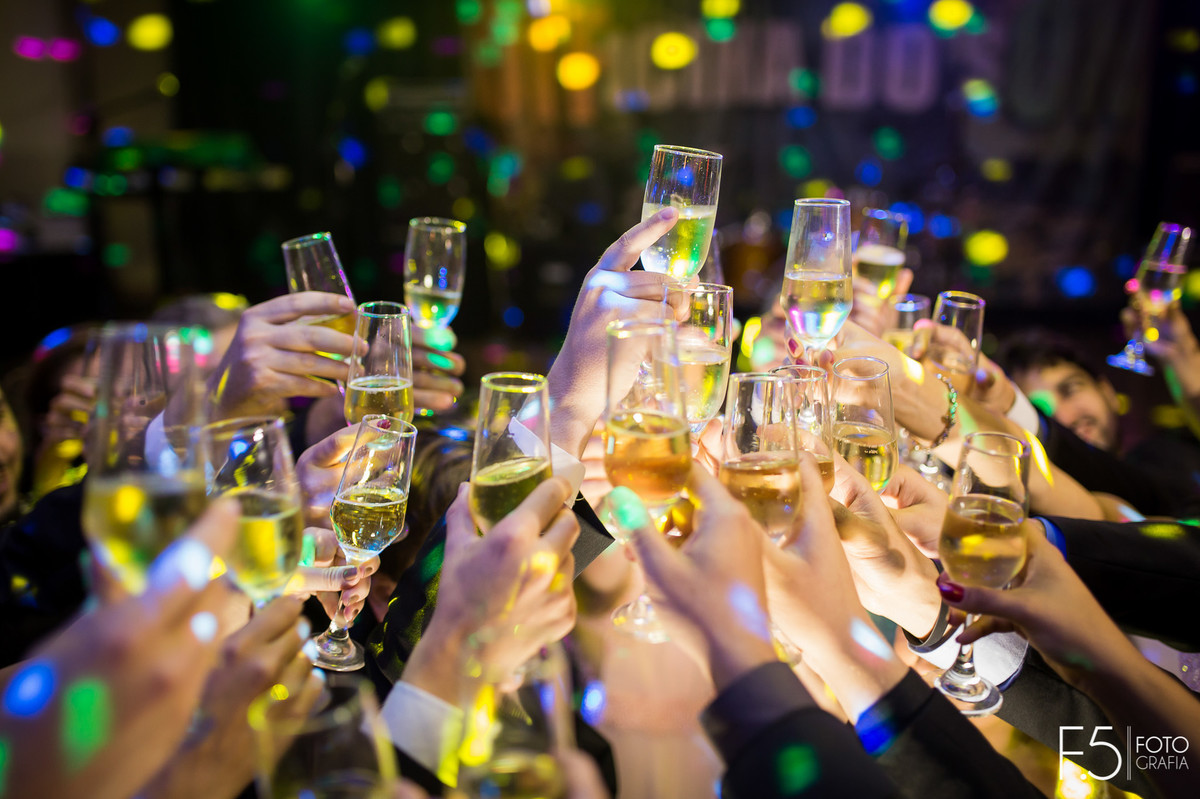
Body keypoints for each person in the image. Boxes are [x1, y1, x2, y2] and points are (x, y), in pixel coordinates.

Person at [996, 328, 1200, 517]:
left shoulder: (1168, 457)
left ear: (1107, 391)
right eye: (1043, 410)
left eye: (1070, 390)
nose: (1065, 417)